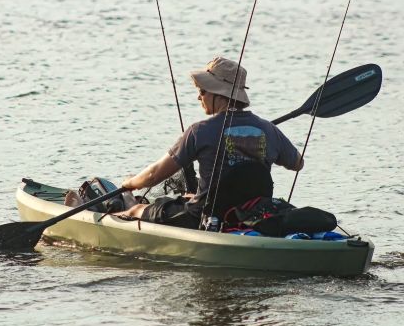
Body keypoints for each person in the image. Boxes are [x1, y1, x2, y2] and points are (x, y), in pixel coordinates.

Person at [68, 57, 304, 229]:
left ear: (219, 94)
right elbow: (297, 163)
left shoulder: (200, 131)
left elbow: (154, 175)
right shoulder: (269, 130)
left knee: (137, 209)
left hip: (202, 216)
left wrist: (130, 183)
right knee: (186, 197)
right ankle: (131, 201)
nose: (199, 96)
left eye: (203, 91)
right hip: (251, 212)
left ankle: (111, 212)